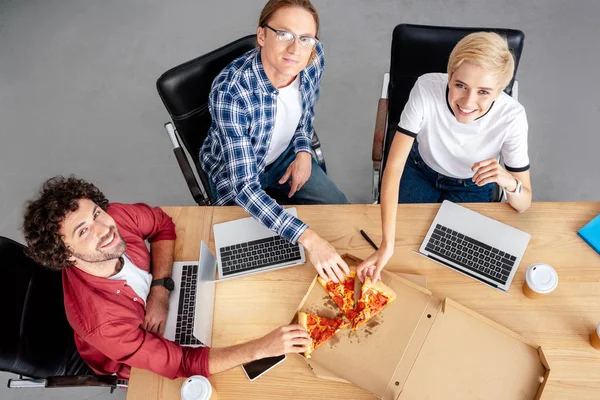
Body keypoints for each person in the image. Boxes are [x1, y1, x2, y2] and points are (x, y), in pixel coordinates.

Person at [22, 176, 310, 379]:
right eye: (83, 231)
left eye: (97, 214)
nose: (104, 228)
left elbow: (161, 224)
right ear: (66, 256)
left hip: (164, 298)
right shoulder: (103, 325)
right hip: (141, 351)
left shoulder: (115, 218)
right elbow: (183, 362)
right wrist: (262, 348)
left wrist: (160, 289)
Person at [358, 32, 532, 283]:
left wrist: (509, 181)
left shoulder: (512, 117)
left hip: (471, 185)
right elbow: (394, 168)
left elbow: (524, 203)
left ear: (500, 91)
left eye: (484, 91)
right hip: (420, 171)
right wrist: (386, 244)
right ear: (449, 76)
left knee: (455, 271)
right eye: (460, 85)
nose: (468, 102)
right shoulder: (427, 87)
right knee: (403, 252)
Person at [200, 0, 350, 283]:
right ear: (262, 35)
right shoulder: (231, 91)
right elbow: (244, 187)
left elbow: (304, 113)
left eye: (305, 38)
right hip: (238, 174)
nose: (296, 49)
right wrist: (310, 239)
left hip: (285, 156)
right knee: (253, 262)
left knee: (341, 212)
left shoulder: (313, 58)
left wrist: (303, 149)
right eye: (284, 35)